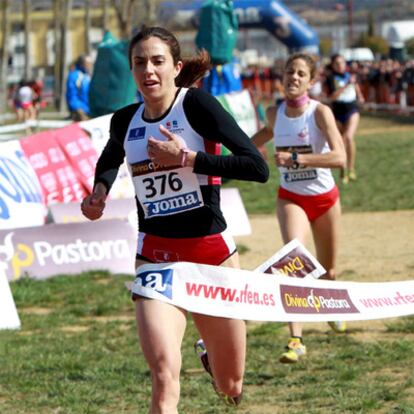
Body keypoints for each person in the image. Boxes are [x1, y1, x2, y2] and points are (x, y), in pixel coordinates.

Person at [80, 26, 269, 413]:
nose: (148, 69)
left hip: (210, 255)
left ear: (175, 66)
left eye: (157, 61)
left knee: (231, 384)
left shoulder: (198, 107)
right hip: (156, 258)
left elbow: (257, 166)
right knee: (164, 375)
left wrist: (188, 159)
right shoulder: (125, 120)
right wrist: (99, 192)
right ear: (132, 70)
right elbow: (110, 158)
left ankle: (211, 355)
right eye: (139, 62)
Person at [251, 53, 346, 364]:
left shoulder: (320, 113)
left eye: (301, 74)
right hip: (291, 197)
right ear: (283, 77)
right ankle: (296, 339)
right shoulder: (275, 113)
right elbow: (260, 138)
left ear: (311, 80)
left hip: (324, 199)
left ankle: (331, 305)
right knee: (294, 260)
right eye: (290, 72)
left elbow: (339, 158)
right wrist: (232, 150)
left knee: (327, 271)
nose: (293, 77)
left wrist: (296, 159)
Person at [324, 53, 364, 184]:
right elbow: (332, 97)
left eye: (342, 63)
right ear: (333, 65)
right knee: (341, 141)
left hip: (352, 110)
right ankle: (343, 170)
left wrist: (360, 95)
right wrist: (345, 86)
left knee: (348, 137)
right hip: (337, 112)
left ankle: (351, 169)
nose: (340, 65)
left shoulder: (350, 76)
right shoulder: (330, 79)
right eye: (337, 63)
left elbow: (356, 86)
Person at [65, 54, 93, 121]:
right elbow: (71, 95)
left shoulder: (87, 76)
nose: (90, 66)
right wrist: (77, 109)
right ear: (82, 64)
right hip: (81, 112)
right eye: (88, 63)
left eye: (90, 64)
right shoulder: (74, 76)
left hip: (90, 111)